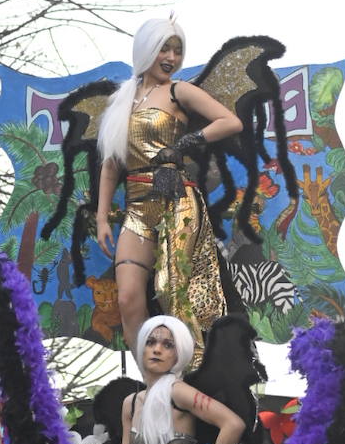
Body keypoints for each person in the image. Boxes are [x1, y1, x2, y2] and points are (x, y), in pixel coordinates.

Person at [94, 18, 242, 354]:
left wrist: (186, 142)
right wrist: (103, 218)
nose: (171, 57)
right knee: (129, 298)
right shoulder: (121, 102)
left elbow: (231, 121)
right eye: (164, 48)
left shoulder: (178, 90)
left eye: (177, 51)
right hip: (136, 207)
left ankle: (194, 373)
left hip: (176, 199)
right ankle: (152, 384)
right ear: (147, 49)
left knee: (170, 289)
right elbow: (110, 166)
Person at [113, 315, 246, 444]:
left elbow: (233, 424)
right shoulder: (130, 404)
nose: (157, 349)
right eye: (150, 342)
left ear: (178, 354)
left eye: (168, 345)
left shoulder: (177, 392)